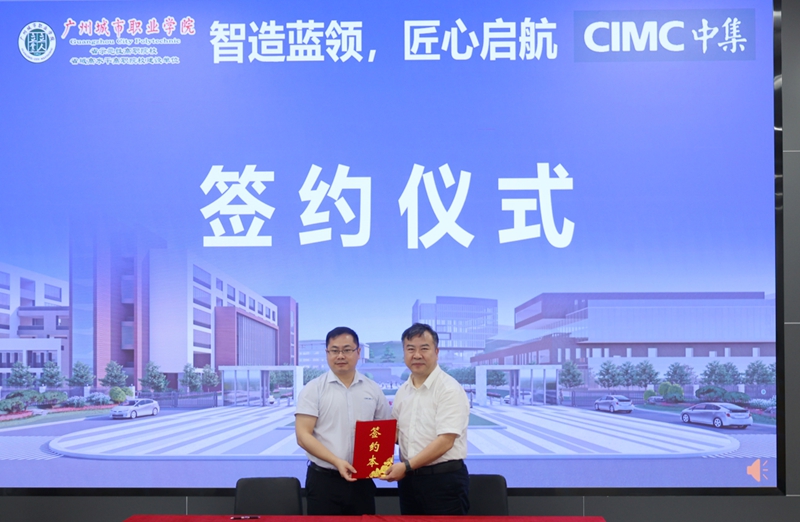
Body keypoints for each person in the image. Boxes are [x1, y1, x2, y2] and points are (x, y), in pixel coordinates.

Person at [295, 326, 391, 515]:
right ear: (327, 353)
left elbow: (383, 431)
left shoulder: (373, 389)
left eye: (347, 350)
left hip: (361, 481)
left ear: (358, 352)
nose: (340, 356)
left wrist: (381, 464)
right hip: (324, 481)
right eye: (334, 350)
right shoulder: (313, 389)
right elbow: (303, 436)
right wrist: (336, 461)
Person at [381, 322, 471, 515]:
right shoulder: (403, 391)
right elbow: (398, 434)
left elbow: (445, 441)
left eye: (424, 348)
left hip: (443, 481)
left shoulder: (449, 389)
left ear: (436, 352)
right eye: (410, 349)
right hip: (409, 481)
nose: (417, 355)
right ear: (404, 353)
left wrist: (406, 466)